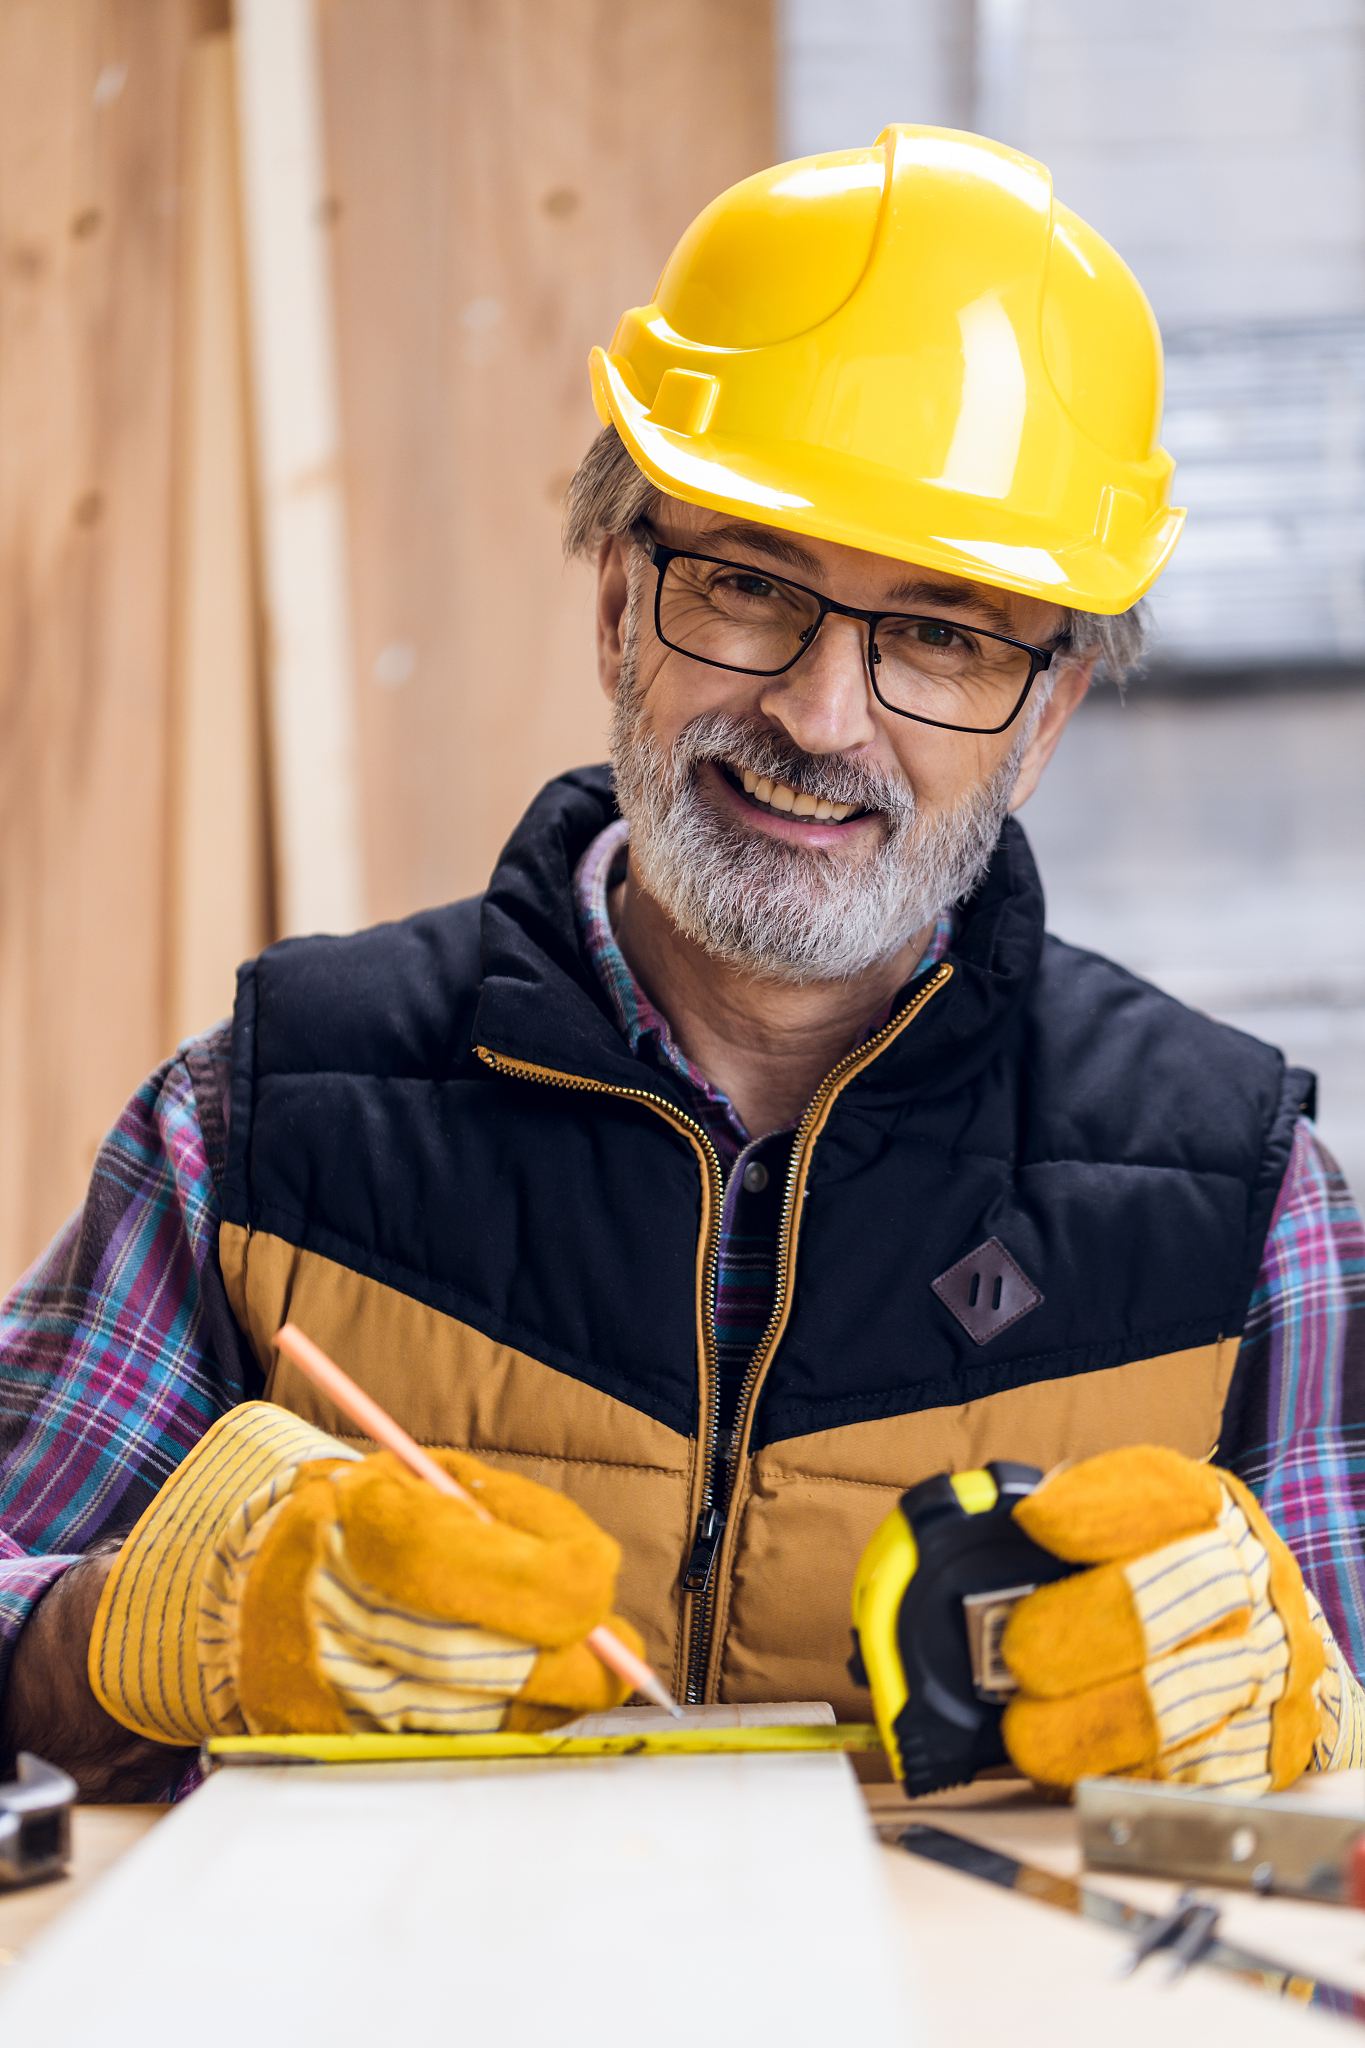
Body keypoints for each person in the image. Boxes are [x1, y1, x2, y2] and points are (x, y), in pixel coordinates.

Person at [1, 128, 1362, 1801]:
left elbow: (1342, 1780)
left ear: (1048, 715)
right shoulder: (259, 1128)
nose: (817, 714)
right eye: (744, 586)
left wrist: (1311, 1718)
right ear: (615, 604)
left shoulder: (1240, 1206)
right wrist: (147, 1634)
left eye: (938, 634)